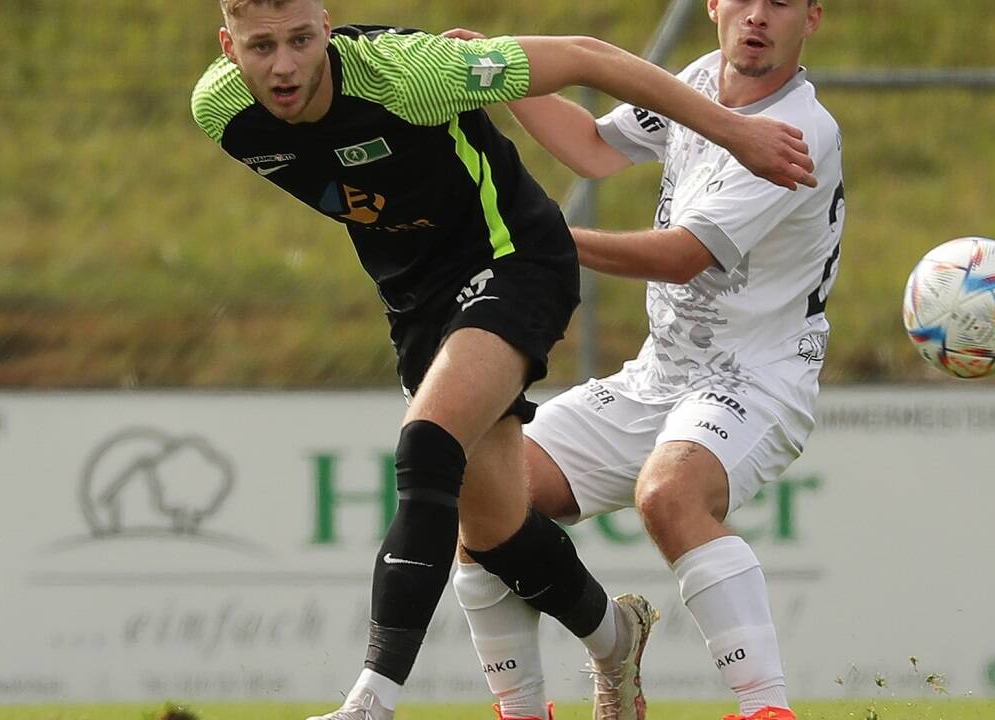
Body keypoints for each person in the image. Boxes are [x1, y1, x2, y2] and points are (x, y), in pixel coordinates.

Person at [190, 2, 818, 719]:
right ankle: (616, 637)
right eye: (261, 47)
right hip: (419, 301)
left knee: (427, 447)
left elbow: (589, 56)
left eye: (301, 41)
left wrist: (736, 133)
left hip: (514, 260)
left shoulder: (414, 76)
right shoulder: (221, 110)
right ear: (227, 46)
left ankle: (371, 701)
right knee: (493, 534)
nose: (283, 67)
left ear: (326, 30)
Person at [449, 1, 844, 719]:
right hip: (657, 377)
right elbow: (596, 147)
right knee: (484, 498)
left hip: (756, 378)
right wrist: (502, 79)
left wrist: (543, 236)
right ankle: (524, 709)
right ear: (715, 5)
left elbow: (682, 256)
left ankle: (766, 710)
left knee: (670, 495)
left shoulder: (800, 131)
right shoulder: (698, 82)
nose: (758, 17)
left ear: (811, 17)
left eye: (780, 3)